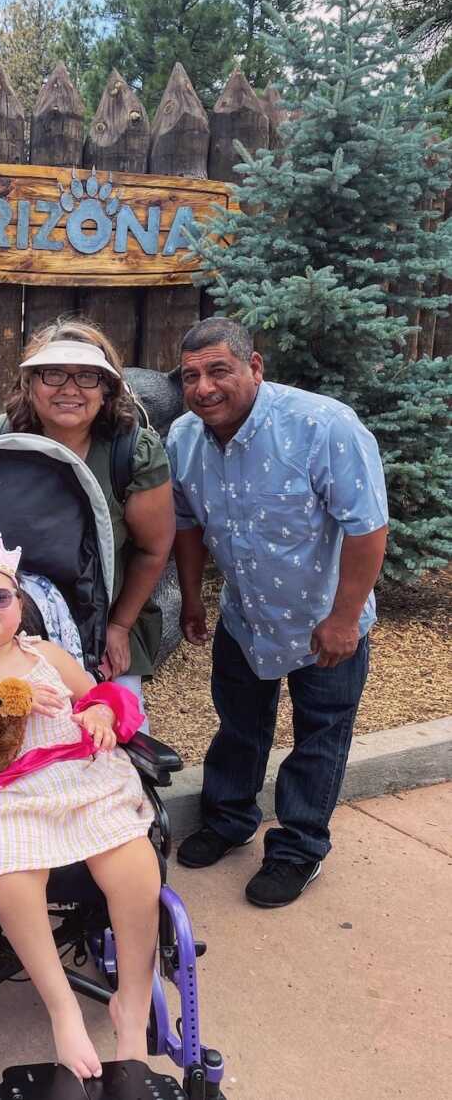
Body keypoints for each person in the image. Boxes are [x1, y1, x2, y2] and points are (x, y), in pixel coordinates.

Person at [0, 524, 160, 1080]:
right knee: (10, 869)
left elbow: (101, 695)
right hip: (4, 794)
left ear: (18, 606)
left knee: (135, 867)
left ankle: (131, 1003)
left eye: (0, 597)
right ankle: (63, 1007)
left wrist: (100, 712)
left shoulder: (45, 652)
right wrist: (0, 713)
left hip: (80, 780)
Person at [166, 318, 388, 908]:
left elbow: (367, 529)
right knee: (238, 725)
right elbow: (186, 523)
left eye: (219, 370)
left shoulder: (324, 427)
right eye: (192, 376)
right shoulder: (184, 438)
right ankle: (230, 818)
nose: (205, 387)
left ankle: (298, 848)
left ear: (254, 367)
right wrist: (193, 597)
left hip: (324, 623)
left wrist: (343, 619)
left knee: (320, 735)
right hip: (244, 618)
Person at [0, 319, 176, 729]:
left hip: (107, 622)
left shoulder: (130, 451)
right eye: (53, 374)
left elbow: (154, 548)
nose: (69, 388)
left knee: (116, 737)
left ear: (107, 388)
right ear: (30, 383)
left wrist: (120, 625)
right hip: (7, 623)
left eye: (87, 376)